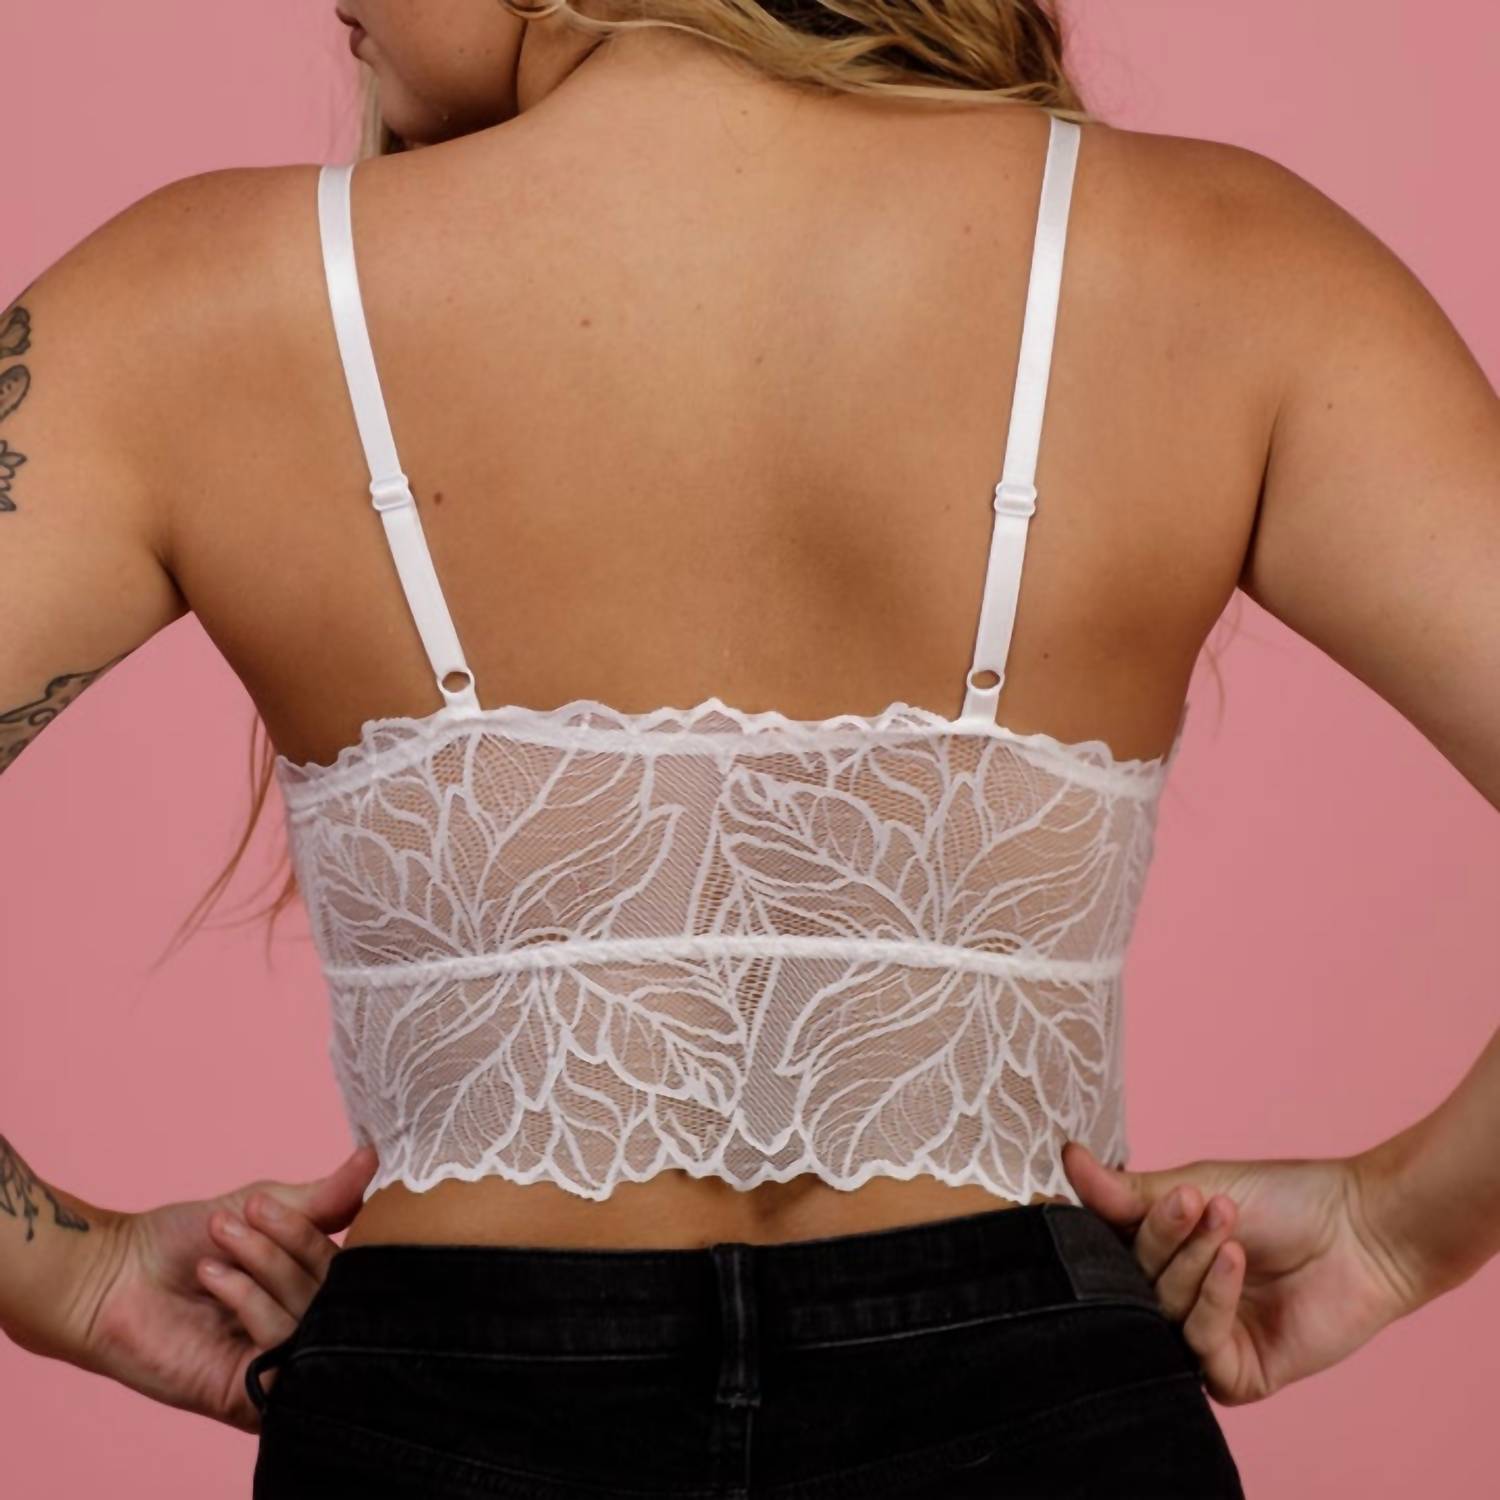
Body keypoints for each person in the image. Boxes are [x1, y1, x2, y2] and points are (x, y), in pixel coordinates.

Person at [2, 2, 1496, 1495]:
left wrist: (76, 1279)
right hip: (1047, 1409)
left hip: (441, 1413)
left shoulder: (190, 302)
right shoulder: (1229, 263)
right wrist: (1395, 1228)